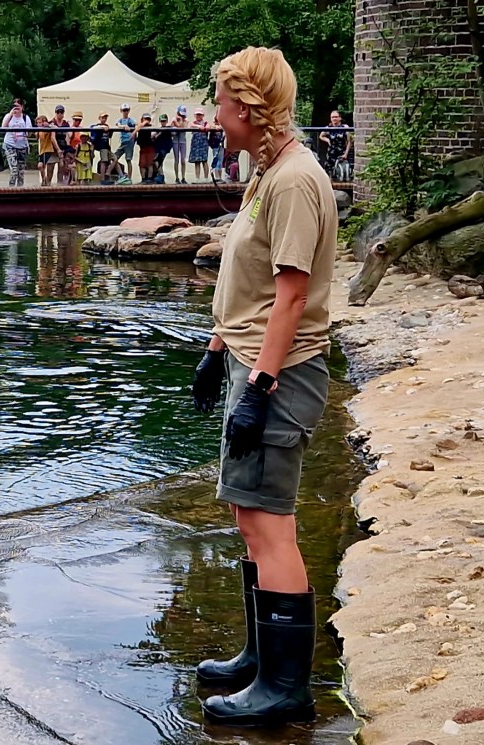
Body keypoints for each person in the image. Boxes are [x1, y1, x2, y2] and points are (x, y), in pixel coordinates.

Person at [190, 46, 337, 728]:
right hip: (252, 361)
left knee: (270, 525)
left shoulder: (294, 180)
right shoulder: (265, 171)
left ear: (248, 108)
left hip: (281, 372)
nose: (213, 116)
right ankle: (259, 656)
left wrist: (260, 387)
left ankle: (285, 687)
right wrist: (218, 350)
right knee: (250, 518)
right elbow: (244, 284)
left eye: (220, 103)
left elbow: (292, 293)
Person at [1, 99, 32, 187]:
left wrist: (25, 133)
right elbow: (3, 127)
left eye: (18, 106)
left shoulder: (26, 118)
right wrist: (11, 114)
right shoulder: (9, 116)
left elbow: (29, 133)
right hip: (10, 145)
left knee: (21, 171)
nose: (16, 108)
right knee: (14, 169)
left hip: (22, 146)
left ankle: (20, 189)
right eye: (14, 106)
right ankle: (11, 189)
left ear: (22, 107)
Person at [319, 109, 352, 178]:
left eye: (336, 117)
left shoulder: (345, 127)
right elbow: (321, 136)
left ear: (340, 118)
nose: (334, 119)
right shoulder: (329, 128)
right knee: (328, 172)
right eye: (332, 117)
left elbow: (350, 141)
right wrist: (327, 140)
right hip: (331, 154)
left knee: (342, 172)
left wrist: (345, 154)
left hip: (341, 153)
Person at [36, 115, 60, 186]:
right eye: (38, 123)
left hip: (49, 150)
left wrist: (48, 125)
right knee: (40, 166)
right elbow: (36, 137)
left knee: (49, 170)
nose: (39, 124)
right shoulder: (38, 130)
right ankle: (44, 179)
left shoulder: (49, 128)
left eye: (41, 122)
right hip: (42, 151)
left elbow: (56, 128)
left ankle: (47, 183)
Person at [132, 113, 155, 184]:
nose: (147, 121)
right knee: (142, 165)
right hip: (142, 148)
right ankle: (144, 179)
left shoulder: (150, 126)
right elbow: (139, 126)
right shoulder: (139, 126)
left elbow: (144, 124)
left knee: (150, 164)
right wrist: (135, 133)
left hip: (149, 147)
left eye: (148, 119)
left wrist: (134, 132)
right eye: (145, 119)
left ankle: (149, 179)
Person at [188, 107, 209, 181]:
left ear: (203, 115)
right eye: (197, 115)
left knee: (204, 161)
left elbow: (208, 127)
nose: (198, 116)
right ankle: (197, 178)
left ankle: (206, 178)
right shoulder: (193, 123)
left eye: (200, 115)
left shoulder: (206, 123)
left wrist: (204, 127)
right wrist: (198, 126)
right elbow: (190, 125)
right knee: (197, 161)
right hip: (195, 143)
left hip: (203, 143)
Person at [151, 113, 173, 184]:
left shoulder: (168, 128)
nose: (163, 122)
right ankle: (160, 176)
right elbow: (153, 136)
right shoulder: (158, 129)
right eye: (162, 121)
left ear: (166, 121)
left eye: (164, 121)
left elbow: (174, 133)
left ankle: (161, 175)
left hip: (164, 148)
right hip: (158, 148)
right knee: (159, 161)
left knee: (156, 160)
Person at [116, 104, 136, 177]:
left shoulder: (131, 120)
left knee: (128, 159)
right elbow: (118, 124)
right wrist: (124, 126)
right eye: (124, 110)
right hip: (123, 141)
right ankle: (122, 175)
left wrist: (132, 131)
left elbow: (135, 125)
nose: (125, 112)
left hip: (129, 141)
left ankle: (129, 177)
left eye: (127, 110)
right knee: (115, 158)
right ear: (121, 111)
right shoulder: (120, 120)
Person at [171, 105, 189, 184]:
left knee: (183, 160)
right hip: (175, 141)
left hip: (183, 141)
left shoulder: (186, 120)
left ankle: (183, 177)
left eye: (183, 114)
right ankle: (177, 177)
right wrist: (176, 123)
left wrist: (181, 120)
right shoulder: (173, 120)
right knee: (176, 160)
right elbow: (172, 131)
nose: (182, 115)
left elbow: (183, 127)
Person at [208, 115, 226, 181]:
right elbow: (211, 128)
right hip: (215, 145)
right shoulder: (212, 127)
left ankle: (220, 177)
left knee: (220, 161)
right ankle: (217, 177)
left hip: (221, 145)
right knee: (216, 160)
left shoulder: (223, 127)